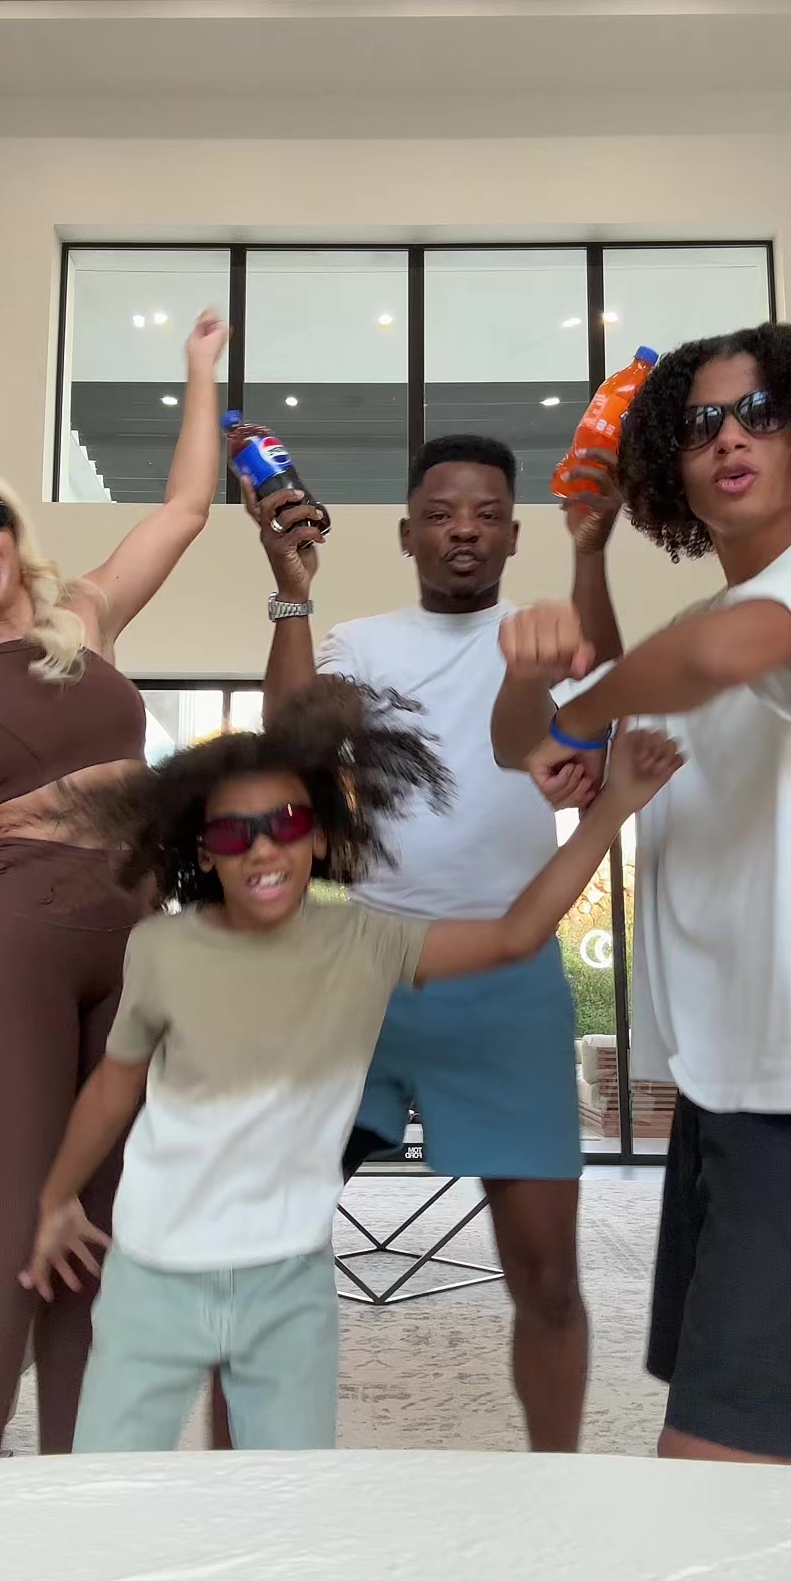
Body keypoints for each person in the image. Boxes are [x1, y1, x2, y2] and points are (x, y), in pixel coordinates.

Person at [19, 680, 680, 1452]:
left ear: (321, 837)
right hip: (152, 1276)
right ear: (204, 852)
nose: (263, 847)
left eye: (286, 822)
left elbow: (516, 935)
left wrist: (615, 805)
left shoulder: (367, 944)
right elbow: (114, 1084)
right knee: (110, 1485)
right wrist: (58, 1199)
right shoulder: (160, 948)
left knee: (291, 1496)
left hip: (288, 1288)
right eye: (234, 834)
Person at [491, 320, 791, 1471]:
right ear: (669, 472)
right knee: (767, 1466)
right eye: (699, 425)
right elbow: (539, 748)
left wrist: (578, 713)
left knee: (721, 1476)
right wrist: (577, 583)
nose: (730, 437)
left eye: (761, 414)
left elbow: (729, 656)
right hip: (725, 1083)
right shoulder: (683, 635)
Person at [0, 309, 229, 1459]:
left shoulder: (86, 616)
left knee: (98, 1231)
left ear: (11, 533)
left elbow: (183, 509)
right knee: (15, 1235)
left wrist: (200, 373)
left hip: (135, 945)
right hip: (20, 941)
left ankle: (80, 1494)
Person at [220, 434, 605, 1455]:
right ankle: (232, 1491)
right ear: (406, 534)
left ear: (514, 535)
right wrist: (291, 592)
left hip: (509, 979)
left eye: (485, 514)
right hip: (363, 973)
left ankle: (557, 1483)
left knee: (547, 1275)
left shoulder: (556, 642)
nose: (462, 530)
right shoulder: (363, 642)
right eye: (439, 514)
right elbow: (293, 747)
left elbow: (576, 765)